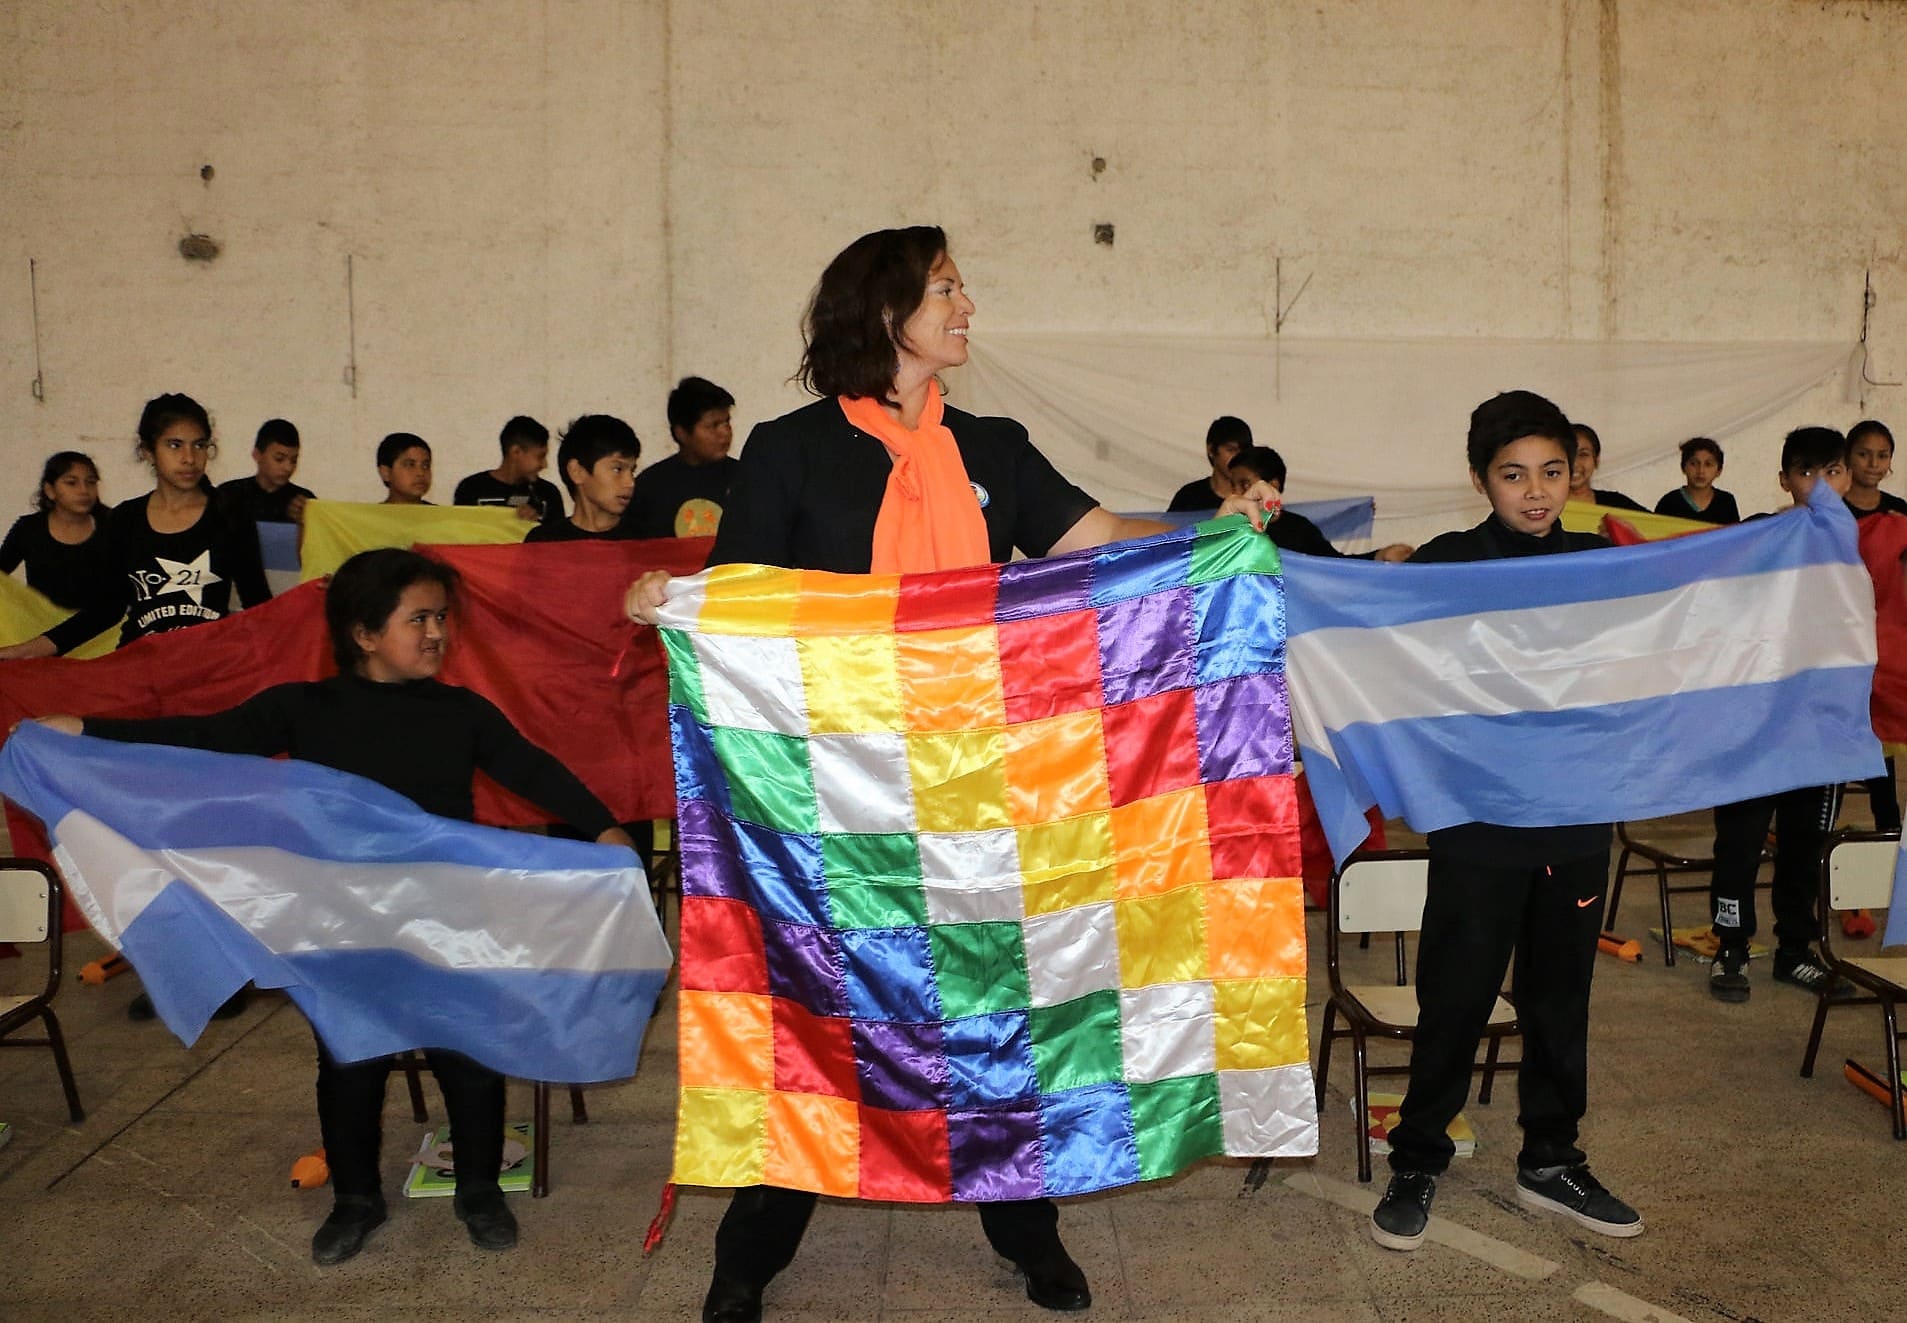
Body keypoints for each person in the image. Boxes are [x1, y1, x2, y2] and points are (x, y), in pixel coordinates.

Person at [626, 225, 1270, 1323]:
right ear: (886, 315)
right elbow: (743, 607)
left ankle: (1027, 1230)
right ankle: (748, 1253)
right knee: (819, 1012)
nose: (966, 306)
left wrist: (1206, 534)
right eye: (946, 289)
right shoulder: (788, 451)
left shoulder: (994, 446)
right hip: (830, 799)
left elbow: (1096, 541)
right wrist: (666, 600)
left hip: (977, 791)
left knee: (990, 1007)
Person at [35, 548, 636, 1264]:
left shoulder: (462, 711)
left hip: (446, 917)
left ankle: (479, 1188)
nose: (438, 631)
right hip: (342, 926)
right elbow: (203, 738)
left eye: (443, 617)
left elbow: (535, 769)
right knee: (349, 1065)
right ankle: (355, 1198)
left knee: (467, 1057)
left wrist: (604, 829)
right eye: (419, 617)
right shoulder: (304, 707)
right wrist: (87, 732)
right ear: (364, 632)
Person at [1370, 390, 1642, 1253]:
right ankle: (1417, 1157)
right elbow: (1359, 629)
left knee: (1561, 1000)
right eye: (1513, 474)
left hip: (1573, 823)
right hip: (1477, 824)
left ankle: (1551, 1158)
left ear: (1575, 473)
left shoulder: (1599, 563)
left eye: (1551, 472)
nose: (1534, 492)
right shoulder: (1447, 563)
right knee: (1455, 997)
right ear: (1480, 480)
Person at [1704, 427, 1862, 1002]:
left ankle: (1796, 949)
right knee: (1739, 845)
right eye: (1807, 473)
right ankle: (1730, 948)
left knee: (1806, 847)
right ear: (1784, 479)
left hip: (1819, 732)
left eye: (1833, 472)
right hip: (1753, 729)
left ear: (1848, 476)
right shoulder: (1756, 538)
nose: (1822, 485)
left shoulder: (1857, 545)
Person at [108, 393, 272, 648]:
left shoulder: (230, 515)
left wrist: (315, 601)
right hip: (138, 670)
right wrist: (32, 649)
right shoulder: (124, 519)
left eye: (199, 445)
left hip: (207, 669)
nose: (189, 458)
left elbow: (260, 605)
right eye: (175, 445)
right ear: (148, 452)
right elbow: (104, 610)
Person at [0, 452, 120, 660]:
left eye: (90, 482)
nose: (84, 490)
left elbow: (115, 600)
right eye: (71, 483)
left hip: (99, 634)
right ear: (50, 490)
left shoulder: (113, 526)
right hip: (36, 634)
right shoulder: (29, 529)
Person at [1226, 446, 1412, 561]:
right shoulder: (1229, 528)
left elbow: (1334, 566)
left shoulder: (1299, 529)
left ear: (1272, 485)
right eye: (1232, 485)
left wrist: (1380, 557)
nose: (1236, 493)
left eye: (1244, 484)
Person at [627, 376, 740, 538]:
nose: (725, 433)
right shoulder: (651, 487)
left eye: (727, 422)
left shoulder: (746, 478)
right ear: (681, 433)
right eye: (713, 426)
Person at [524, 415, 643, 543]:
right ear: (577, 471)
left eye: (632, 471)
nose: (630, 482)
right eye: (617, 469)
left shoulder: (648, 541)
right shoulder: (544, 544)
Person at [453, 416, 564, 523]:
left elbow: (561, 540)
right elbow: (459, 534)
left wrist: (535, 527)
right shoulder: (471, 488)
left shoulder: (549, 494)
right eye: (540, 456)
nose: (544, 465)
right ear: (516, 452)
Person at [214, 418, 315, 524]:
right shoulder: (229, 494)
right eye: (279, 459)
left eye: (294, 460)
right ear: (257, 455)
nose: (288, 467)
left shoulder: (302, 501)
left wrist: (304, 521)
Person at [1166, 416, 1252, 512]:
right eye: (1231, 450)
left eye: (1244, 451)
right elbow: (1165, 527)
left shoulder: (1255, 497)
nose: (1238, 457)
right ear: (1211, 450)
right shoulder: (1190, 496)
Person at [1655, 437, 1739, 525]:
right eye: (1693, 464)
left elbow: (1737, 536)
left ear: (1719, 471)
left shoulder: (1726, 502)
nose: (1701, 471)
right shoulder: (1669, 503)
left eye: (1708, 464)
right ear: (1683, 467)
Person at [1566, 423, 1645, 511]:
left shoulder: (1616, 504)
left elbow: (1657, 522)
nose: (1575, 463)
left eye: (1583, 454)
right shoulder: (1549, 506)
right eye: (1568, 455)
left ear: (1596, 460)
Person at [1845, 419, 1907, 519]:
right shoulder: (1830, 508)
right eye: (1863, 455)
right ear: (1847, 456)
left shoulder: (1898, 508)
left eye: (1882, 456)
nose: (1874, 464)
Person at [376, 433, 434, 505]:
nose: (421, 473)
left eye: (426, 466)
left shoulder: (442, 514)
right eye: (410, 465)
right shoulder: (369, 515)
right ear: (386, 473)